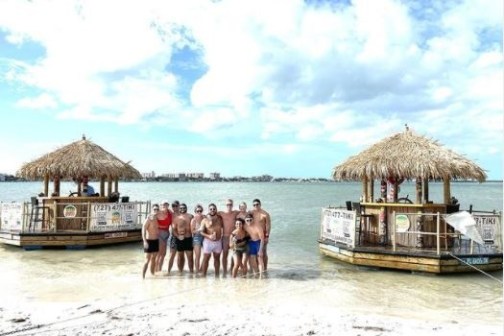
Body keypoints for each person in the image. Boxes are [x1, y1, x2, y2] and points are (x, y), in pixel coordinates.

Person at [200, 204, 223, 277]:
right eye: (211, 209)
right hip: (208, 242)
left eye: (214, 209)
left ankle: (217, 276)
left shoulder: (220, 218)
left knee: (217, 259)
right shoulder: (205, 219)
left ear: (216, 209)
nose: (212, 210)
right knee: (206, 259)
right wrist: (209, 236)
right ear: (208, 210)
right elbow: (201, 232)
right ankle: (204, 275)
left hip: (218, 242)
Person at [218, 199, 240, 275]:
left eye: (230, 204)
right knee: (225, 254)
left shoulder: (235, 213)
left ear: (232, 205)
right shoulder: (221, 213)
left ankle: (231, 269)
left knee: (234, 254)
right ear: (225, 205)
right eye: (227, 204)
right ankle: (224, 271)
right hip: (225, 237)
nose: (229, 206)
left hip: (234, 237)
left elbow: (245, 213)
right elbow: (211, 214)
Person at [172, 203, 194, 273]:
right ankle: (180, 272)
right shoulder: (176, 218)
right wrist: (178, 236)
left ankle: (191, 272)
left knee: (190, 257)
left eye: (184, 208)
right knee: (180, 257)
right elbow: (173, 230)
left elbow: (196, 224)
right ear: (179, 209)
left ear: (186, 208)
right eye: (181, 208)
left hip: (189, 239)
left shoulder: (191, 216)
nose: (182, 209)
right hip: (180, 239)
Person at [251, 198, 271, 271]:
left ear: (260, 204)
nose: (256, 206)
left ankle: (265, 269)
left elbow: (268, 226)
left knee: (263, 253)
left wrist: (267, 236)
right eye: (254, 205)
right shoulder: (251, 212)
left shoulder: (265, 214)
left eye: (257, 204)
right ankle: (257, 269)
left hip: (262, 237)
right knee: (256, 254)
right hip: (254, 237)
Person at [142, 205, 160, 279]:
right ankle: (143, 277)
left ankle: (152, 275)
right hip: (149, 241)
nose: (156, 210)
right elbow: (143, 230)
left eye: (157, 209)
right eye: (154, 209)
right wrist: (144, 241)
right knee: (147, 260)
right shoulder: (148, 219)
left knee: (154, 259)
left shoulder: (157, 218)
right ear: (152, 210)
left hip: (156, 241)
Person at [156, 201, 172, 272]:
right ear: (160, 205)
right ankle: (155, 270)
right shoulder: (157, 213)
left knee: (164, 254)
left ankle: (159, 269)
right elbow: (152, 223)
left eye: (166, 204)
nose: (164, 205)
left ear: (168, 205)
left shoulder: (169, 212)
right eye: (163, 204)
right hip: (159, 234)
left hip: (167, 234)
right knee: (159, 253)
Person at [191, 204, 205, 273]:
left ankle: (201, 269)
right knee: (198, 256)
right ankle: (197, 271)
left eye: (200, 211)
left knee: (206, 254)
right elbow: (192, 231)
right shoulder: (193, 220)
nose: (199, 212)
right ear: (195, 211)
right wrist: (199, 230)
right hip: (197, 237)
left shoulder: (204, 218)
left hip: (205, 236)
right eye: (197, 211)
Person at [167, 200, 180, 274]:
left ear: (179, 206)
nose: (174, 207)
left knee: (180, 256)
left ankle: (179, 271)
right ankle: (168, 271)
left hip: (182, 237)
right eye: (173, 206)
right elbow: (162, 211)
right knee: (172, 255)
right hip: (174, 237)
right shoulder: (171, 214)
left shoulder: (182, 214)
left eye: (176, 205)